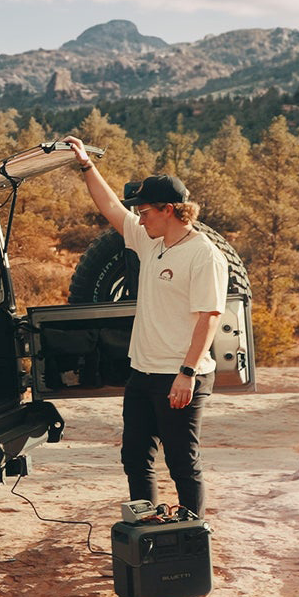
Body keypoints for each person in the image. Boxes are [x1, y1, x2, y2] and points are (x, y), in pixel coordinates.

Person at [63, 137, 227, 518]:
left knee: (182, 463)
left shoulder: (204, 255)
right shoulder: (150, 242)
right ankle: (150, 529)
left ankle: (190, 536)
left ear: (169, 210)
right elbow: (110, 207)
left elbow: (209, 317)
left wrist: (186, 373)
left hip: (180, 376)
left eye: (146, 211)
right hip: (143, 373)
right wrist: (87, 166)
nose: (139, 218)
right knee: (136, 459)